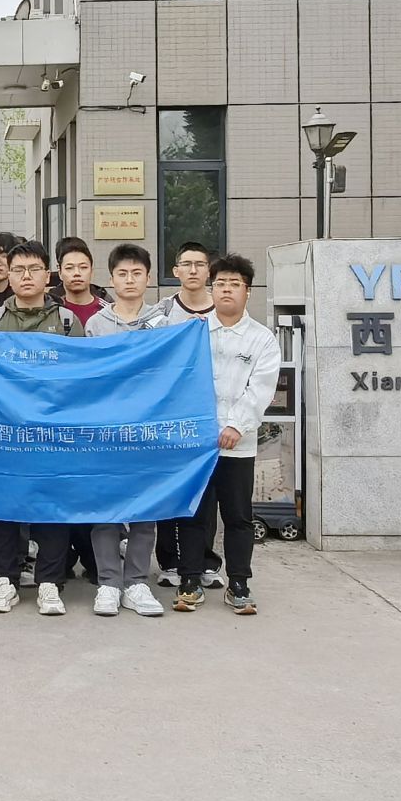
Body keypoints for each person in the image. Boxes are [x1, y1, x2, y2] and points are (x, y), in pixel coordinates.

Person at [0, 240, 85, 616]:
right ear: (8, 276)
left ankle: (49, 583)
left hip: (52, 431)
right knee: (3, 505)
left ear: (47, 276)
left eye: (34, 269)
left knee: (51, 506)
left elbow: (79, 377)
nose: (26, 276)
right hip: (5, 431)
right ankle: (4, 579)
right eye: (19, 270)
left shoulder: (68, 322)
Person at [175, 254, 281, 617]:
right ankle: (190, 580)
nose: (226, 290)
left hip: (238, 444)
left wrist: (236, 425)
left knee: (238, 517)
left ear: (247, 292)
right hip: (198, 443)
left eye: (235, 284)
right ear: (212, 288)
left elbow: (261, 388)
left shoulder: (262, 339)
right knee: (194, 515)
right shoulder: (193, 331)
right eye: (220, 283)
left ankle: (239, 583)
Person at [83, 243, 168, 618]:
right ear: (112, 278)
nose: (130, 280)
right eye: (122, 273)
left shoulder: (165, 325)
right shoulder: (96, 325)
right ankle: (108, 583)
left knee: (145, 508)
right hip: (105, 428)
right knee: (105, 506)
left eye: (137, 273)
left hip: (148, 428)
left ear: (148, 278)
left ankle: (136, 583)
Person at [152, 240, 224, 591]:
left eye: (200, 264)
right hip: (169, 416)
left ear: (209, 270)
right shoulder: (162, 313)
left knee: (205, 496)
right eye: (186, 264)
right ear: (175, 270)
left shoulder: (223, 310)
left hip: (209, 417)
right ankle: (169, 561)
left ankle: (206, 562)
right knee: (168, 490)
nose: (193, 270)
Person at [54, 236, 107, 326]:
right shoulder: (53, 312)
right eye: (69, 268)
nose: (77, 273)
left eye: (83, 267)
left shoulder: (107, 312)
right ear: (60, 272)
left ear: (92, 271)